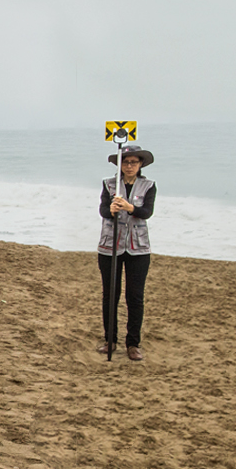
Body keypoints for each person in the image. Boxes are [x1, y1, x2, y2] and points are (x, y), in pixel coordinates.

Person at [97, 144, 156, 361]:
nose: (129, 166)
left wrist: (129, 207)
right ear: (120, 164)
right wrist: (110, 210)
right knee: (110, 294)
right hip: (109, 246)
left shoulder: (148, 186)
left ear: (140, 165)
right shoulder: (109, 184)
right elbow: (102, 210)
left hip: (138, 249)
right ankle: (110, 340)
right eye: (126, 161)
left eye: (134, 162)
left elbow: (147, 212)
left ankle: (133, 343)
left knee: (135, 296)